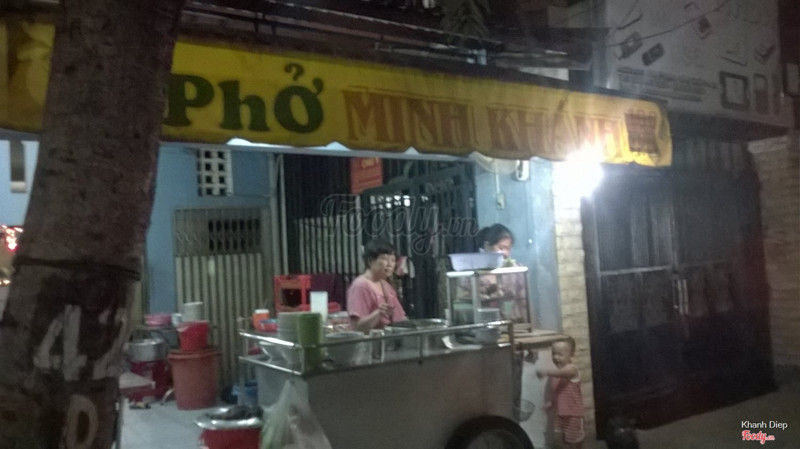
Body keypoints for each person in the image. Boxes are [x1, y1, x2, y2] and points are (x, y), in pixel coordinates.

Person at [347, 238, 407, 333]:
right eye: (385, 259)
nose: (390, 264)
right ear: (371, 261)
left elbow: (400, 319)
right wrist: (378, 313)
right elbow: (357, 327)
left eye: (393, 260)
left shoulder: (386, 286)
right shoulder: (360, 286)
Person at [536, 338, 585, 449]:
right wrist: (551, 402)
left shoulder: (572, 369)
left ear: (571, 354)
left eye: (560, 354)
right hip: (561, 413)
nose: (556, 357)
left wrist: (546, 372)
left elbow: (564, 373)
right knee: (563, 440)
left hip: (574, 415)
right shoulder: (557, 375)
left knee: (575, 442)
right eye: (553, 354)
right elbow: (558, 391)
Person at [474, 223, 528, 323]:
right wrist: (488, 295)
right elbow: (464, 303)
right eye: (501, 248)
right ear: (487, 246)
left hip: (513, 324)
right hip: (483, 325)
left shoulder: (515, 271)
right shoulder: (474, 274)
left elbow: (524, 303)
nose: (506, 253)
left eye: (508, 248)